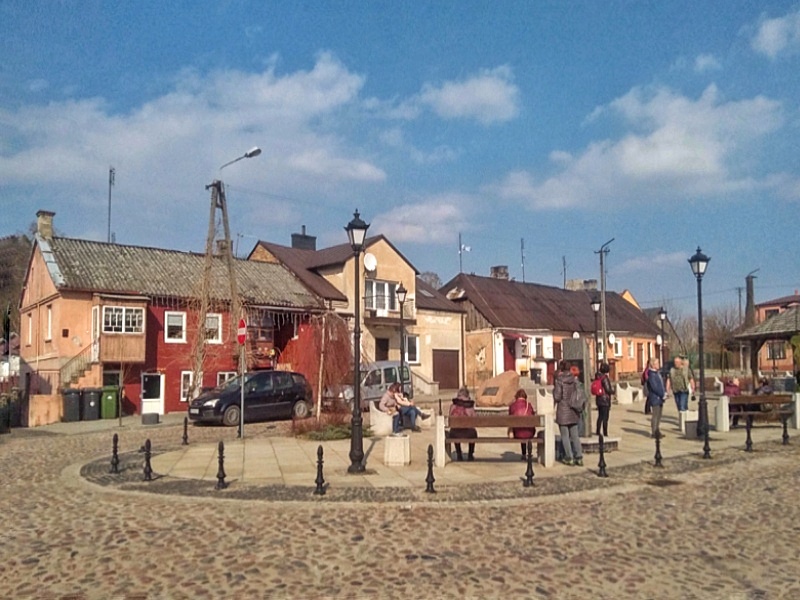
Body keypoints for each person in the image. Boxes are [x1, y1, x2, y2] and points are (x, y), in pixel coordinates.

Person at [553, 360, 584, 466]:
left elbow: (557, 396)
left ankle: (569, 457)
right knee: (575, 435)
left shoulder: (560, 380)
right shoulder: (574, 380)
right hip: (573, 410)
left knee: (565, 436)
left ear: (561, 368)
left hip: (563, 411)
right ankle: (579, 457)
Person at [449, 387, 477, 461]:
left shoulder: (453, 406)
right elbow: (475, 420)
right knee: (474, 432)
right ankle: (470, 455)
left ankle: (459, 454)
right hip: (468, 434)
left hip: (455, 434)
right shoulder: (470, 406)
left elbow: (449, 418)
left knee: (454, 430)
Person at [508, 388, 536, 460]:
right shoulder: (528, 405)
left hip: (517, 433)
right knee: (528, 429)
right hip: (529, 433)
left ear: (516, 396)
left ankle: (523, 454)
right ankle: (529, 452)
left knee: (520, 429)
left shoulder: (512, 406)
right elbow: (533, 416)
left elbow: (510, 418)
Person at [645, 358, 666, 439]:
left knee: (659, 415)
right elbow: (655, 387)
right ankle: (654, 432)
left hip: (660, 397)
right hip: (655, 397)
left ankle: (657, 430)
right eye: (657, 363)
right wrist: (661, 394)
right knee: (655, 415)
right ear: (653, 365)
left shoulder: (657, 373)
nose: (659, 364)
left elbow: (660, 384)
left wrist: (664, 393)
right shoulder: (652, 374)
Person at [593, 362, 614, 437]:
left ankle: (598, 431)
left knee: (600, 416)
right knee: (605, 417)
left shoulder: (597, 376)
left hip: (599, 399)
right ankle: (605, 432)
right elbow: (608, 389)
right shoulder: (604, 378)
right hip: (605, 400)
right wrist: (613, 391)